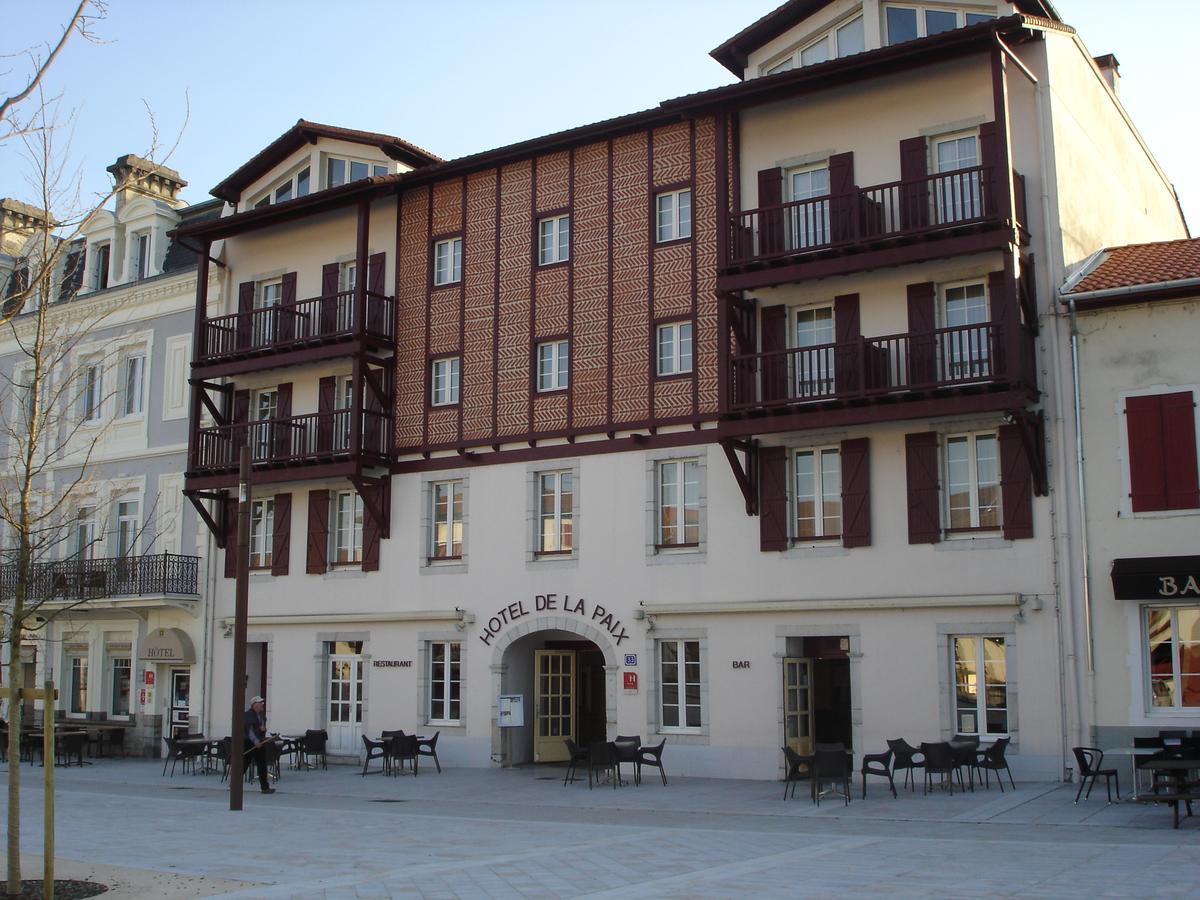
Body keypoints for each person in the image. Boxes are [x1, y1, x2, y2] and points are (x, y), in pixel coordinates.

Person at [244, 696, 275, 794]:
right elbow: (249, 730)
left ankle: (265, 787)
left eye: (262, 702)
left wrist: (263, 729)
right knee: (244, 764)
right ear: (254, 705)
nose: (262, 704)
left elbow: (261, 727)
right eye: (260, 703)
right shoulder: (248, 715)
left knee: (262, 765)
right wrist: (255, 741)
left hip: (260, 742)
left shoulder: (261, 715)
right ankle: (234, 784)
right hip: (249, 742)